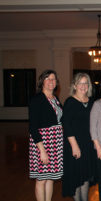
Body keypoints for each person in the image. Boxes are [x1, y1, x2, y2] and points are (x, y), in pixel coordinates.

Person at [28, 70, 63, 201]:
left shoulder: (55, 99)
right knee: (41, 179)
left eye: (53, 79)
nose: (51, 81)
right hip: (42, 143)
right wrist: (42, 150)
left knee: (50, 178)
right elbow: (33, 127)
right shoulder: (36, 99)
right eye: (47, 79)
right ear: (42, 81)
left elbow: (60, 120)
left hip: (56, 142)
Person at [62, 73, 96, 201]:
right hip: (74, 145)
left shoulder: (92, 102)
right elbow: (67, 125)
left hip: (88, 145)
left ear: (89, 86)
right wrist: (74, 146)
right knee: (76, 176)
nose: (83, 86)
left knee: (86, 175)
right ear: (75, 85)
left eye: (86, 83)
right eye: (80, 83)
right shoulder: (70, 102)